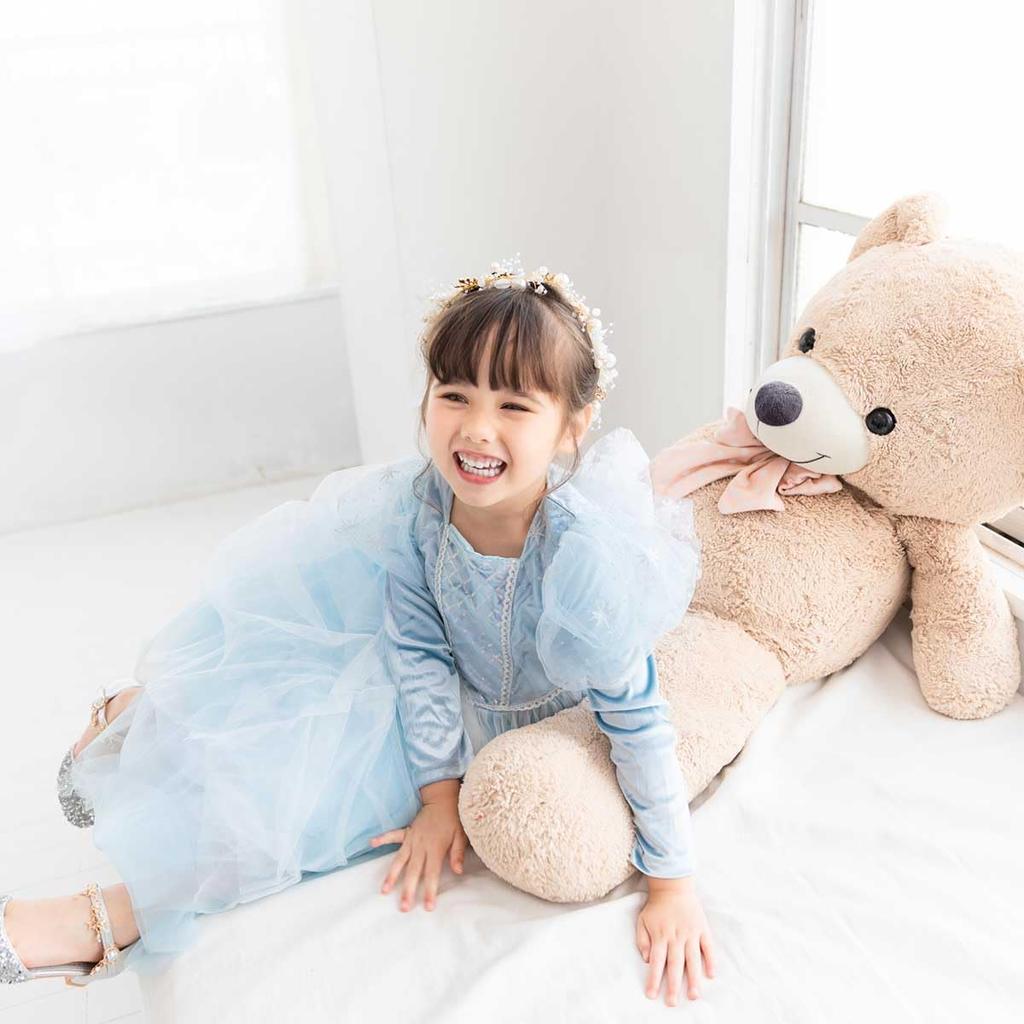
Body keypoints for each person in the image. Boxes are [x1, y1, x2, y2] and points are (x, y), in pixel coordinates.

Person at [1, 259, 714, 1006]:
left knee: (300, 811)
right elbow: (420, 653)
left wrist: (673, 882)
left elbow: (637, 718)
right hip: (420, 696)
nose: (477, 428)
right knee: (276, 718)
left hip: (507, 723)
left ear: (573, 426)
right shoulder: (418, 511)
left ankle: (116, 905)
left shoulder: (584, 558)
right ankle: (139, 729)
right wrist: (439, 797)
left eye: (514, 406)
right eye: (454, 394)